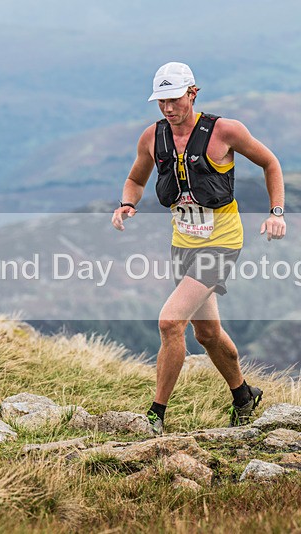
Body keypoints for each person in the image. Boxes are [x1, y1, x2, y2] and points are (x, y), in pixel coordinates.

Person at [111, 61, 285, 435]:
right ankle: (243, 395)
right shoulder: (151, 137)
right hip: (183, 243)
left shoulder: (225, 131)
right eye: (161, 102)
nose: (168, 108)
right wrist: (128, 203)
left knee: (171, 321)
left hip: (222, 242)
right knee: (206, 334)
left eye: (174, 100)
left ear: (193, 93)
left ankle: (155, 415)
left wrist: (276, 212)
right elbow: (134, 178)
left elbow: (270, 163)